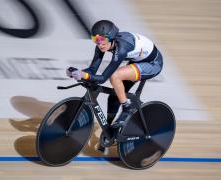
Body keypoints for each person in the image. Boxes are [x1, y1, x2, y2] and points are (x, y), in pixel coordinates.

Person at [66, 20, 163, 152]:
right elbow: (92, 70)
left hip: (153, 64)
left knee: (115, 76)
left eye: (102, 39)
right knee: (113, 97)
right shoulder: (102, 45)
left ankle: (127, 108)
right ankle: (109, 131)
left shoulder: (121, 48)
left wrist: (84, 75)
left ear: (111, 37)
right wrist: (77, 72)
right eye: (95, 39)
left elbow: (103, 78)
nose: (99, 43)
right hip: (138, 60)